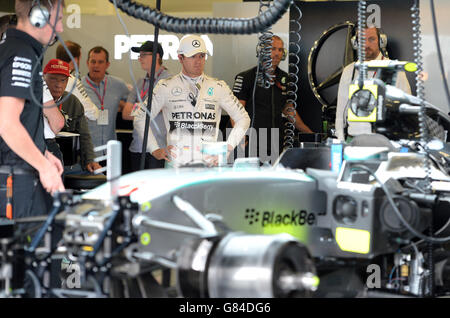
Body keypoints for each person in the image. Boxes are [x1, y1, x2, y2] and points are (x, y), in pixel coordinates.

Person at [0, 0, 65, 222]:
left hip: (18, 173)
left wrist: (44, 153)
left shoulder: (15, 49)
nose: (61, 29)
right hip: (16, 178)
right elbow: (6, 123)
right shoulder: (21, 54)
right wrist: (44, 167)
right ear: (38, 15)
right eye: (58, 20)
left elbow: (23, 117)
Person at [148, 34, 250, 168]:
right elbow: (141, 117)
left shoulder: (218, 86)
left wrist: (227, 148)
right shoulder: (166, 86)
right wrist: (155, 149)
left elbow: (243, 118)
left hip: (209, 163)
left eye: (201, 56)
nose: (198, 61)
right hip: (177, 164)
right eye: (192, 56)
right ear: (180, 58)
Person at [232, 35, 313, 163]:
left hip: (276, 142)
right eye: (273, 49)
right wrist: (240, 136)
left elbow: (288, 109)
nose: (276, 53)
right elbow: (235, 111)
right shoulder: (246, 77)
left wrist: (309, 133)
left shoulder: (285, 79)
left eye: (280, 50)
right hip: (251, 142)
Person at [335, 26, 411, 142]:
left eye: (371, 39)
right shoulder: (349, 71)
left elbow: (406, 110)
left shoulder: (394, 68)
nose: (366, 45)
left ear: (381, 41)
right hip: (353, 139)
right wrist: (340, 140)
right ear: (355, 43)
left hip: (384, 140)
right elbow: (340, 111)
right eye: (362, 40)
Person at [44, 59, 102, 174]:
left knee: (100, 176)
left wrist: (90, 160)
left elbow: (84, 135)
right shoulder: (35, 99)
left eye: (63, 80)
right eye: (53, 79)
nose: (58, 85)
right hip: (43, 158)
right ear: (44, 78)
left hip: (70, 162)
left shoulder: (73, 101)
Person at [122, 41, 170, 171]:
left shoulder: (168, 81)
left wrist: (138, 108)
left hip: (159, 148)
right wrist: (149, 110)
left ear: (157, 56)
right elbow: (126, 113)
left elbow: (159, 109)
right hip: (137, 147)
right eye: (139, 55)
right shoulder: (140, 82)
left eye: (143, 55)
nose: (139, 59)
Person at [82, 46, 129, 151]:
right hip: (87, 150)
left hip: (110, 151)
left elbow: (133, 103)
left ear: (107, 64)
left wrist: (122, 105)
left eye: (100, 62)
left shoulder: (118, 85)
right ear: (87, 63)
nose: (96, 66)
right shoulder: (78, 86)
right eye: (93, 62)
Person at [56, 40, 99, 121]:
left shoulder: (45, 77)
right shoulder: (72, 81)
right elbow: (92, 113)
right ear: (75, 60)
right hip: (65, 130)